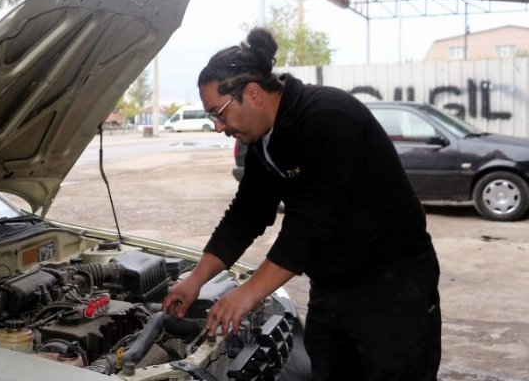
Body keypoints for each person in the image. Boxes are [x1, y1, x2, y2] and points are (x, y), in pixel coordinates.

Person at [162, 27, 441, 380]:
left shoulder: (328, 117)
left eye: (219, 113)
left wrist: (247, 293)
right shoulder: (264, 140)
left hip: (392, 287)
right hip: (331, 286)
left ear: (252, 93)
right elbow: (246, 214)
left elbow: (311, 224)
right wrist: (195, 280)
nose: (218, 127)